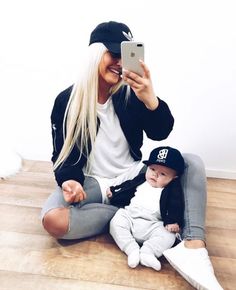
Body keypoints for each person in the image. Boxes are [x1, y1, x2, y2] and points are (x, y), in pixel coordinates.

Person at [41, 21, 223, 290]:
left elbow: (161, 132)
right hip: (94, 183)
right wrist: (71, 181)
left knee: (192, 162)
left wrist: (151, 100)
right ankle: (127, 214)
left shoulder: (131, 93)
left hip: (135, 176)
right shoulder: (66, 100)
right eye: (113, 54)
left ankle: (193, 245)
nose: (119, 63)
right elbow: (61, 155)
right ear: (95, 55)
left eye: (124, 56)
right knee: (53, 220)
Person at [108, 146, 185, 271]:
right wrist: (114, 191)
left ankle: (148, 253)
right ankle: (131, 249)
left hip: (154, 223)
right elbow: (127, 186)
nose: (155, 174)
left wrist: (173, 221)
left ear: (173, 178)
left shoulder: (172, 189)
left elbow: (176, 205)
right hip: (130, 217)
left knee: (169, 235)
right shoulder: (142, 179)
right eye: (152, 169)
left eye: (163, 174)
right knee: (116, 221)